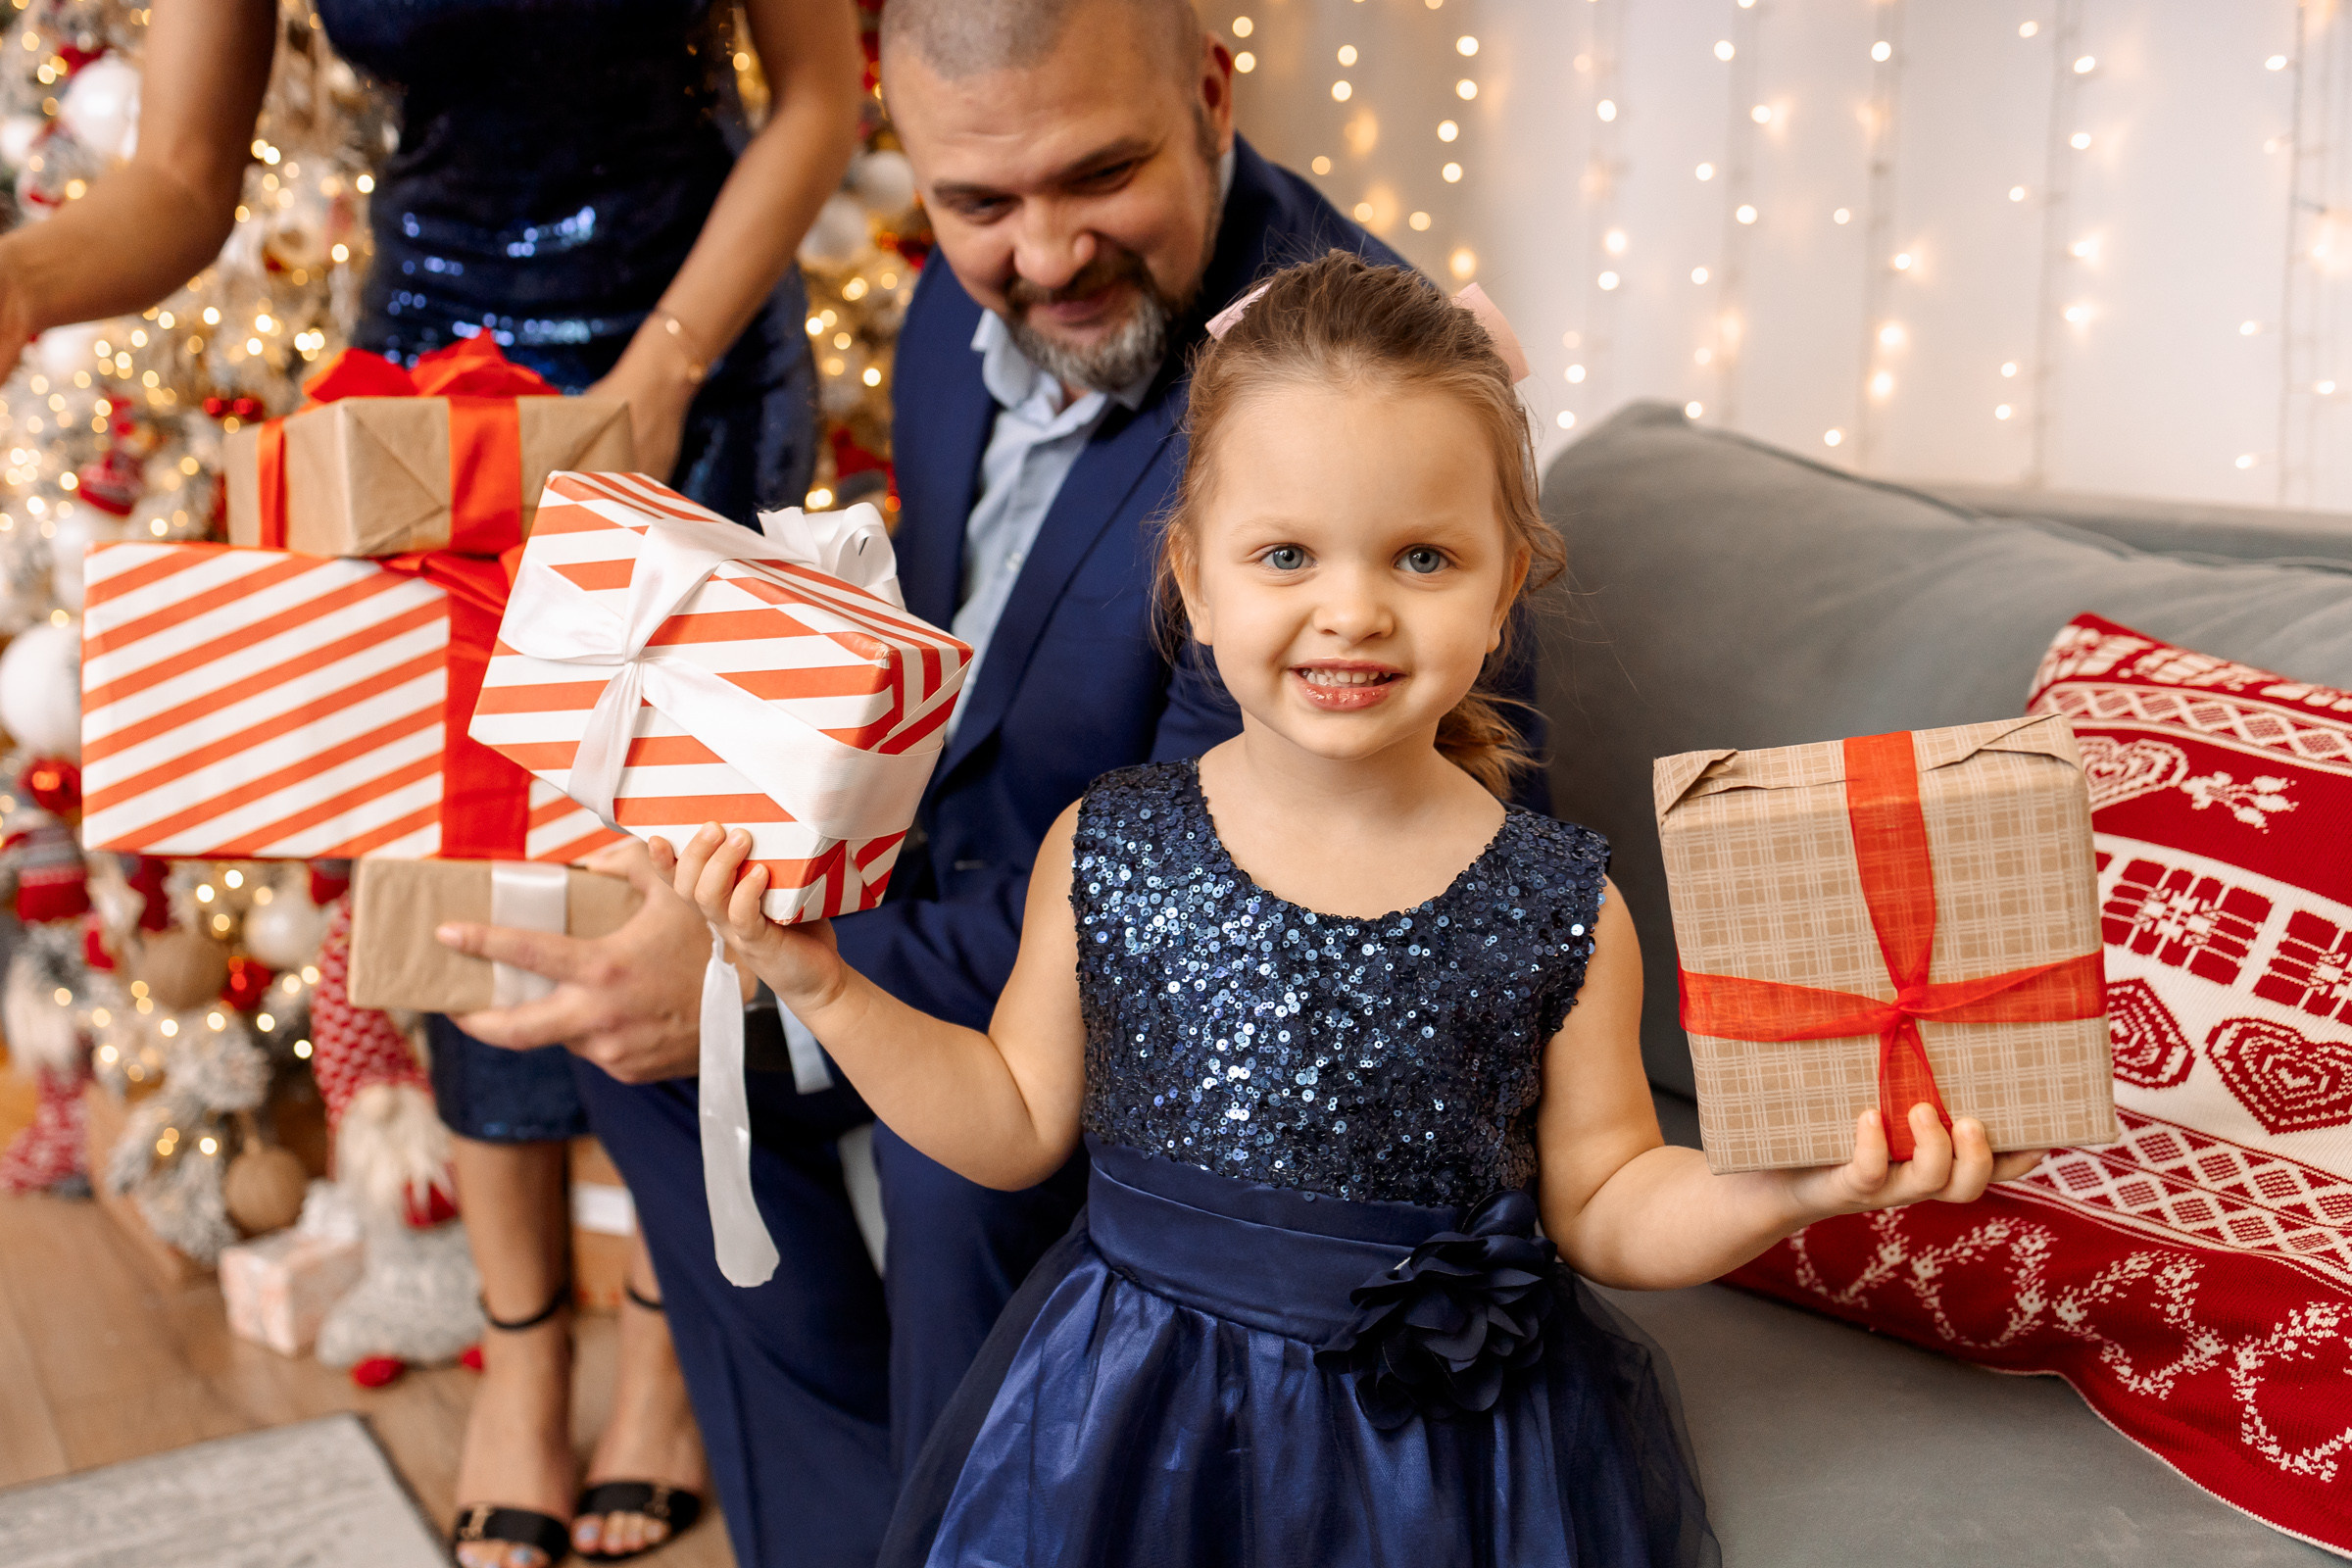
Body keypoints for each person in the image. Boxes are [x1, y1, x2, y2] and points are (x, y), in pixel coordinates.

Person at [664, 251, 2054, 1566]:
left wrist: (1799, 1180)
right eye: (1285, 558)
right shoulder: (1111, 847)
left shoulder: (1562, 905)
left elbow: (1614, 1201)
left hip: (1432, 1468)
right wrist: (823, 983)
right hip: (1132, 1427)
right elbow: (1014, 1124)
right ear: (1191, 582)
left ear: (1506, 583)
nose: (1353, 612)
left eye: (1421, 559)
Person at [430, 1, 1507, 1562]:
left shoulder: (1355, 408)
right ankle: (861, 1527)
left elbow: (1217, 904)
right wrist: (719, 879)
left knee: (944, 1165)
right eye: (980, 203)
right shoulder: (951, 311)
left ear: (1212, 91)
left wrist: (777, 973)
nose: (1048, 257)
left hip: (1231, 996)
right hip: (985, 892)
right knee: (626, 1029)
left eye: (1101, 176)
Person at [0, 3, 864, 1562]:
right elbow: (184, 180)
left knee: (672, 889)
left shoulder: (687, 359)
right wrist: (18, 278)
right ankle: (526, 1360)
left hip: (692, 348)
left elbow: (818, 101)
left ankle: (662, 1370)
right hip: (434, 385)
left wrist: (662, 374)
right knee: (460, 888)